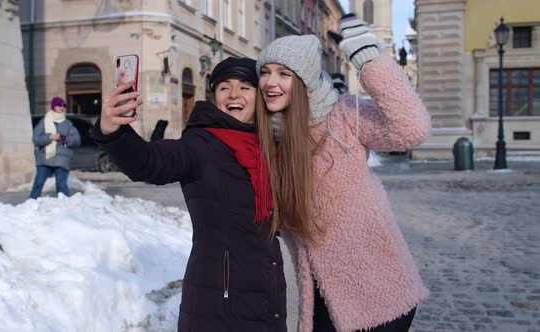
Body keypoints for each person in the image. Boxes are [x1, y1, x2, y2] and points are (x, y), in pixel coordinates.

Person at [255, 14, 431, 332]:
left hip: (382, 292)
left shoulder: (344, 115)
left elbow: (412, 128)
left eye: (283, 73)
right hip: (324, 298)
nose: (270, 81)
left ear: (305, 79)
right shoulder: (270, 137)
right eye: (265, 72)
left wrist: (369, 59)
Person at [94, 57, 287, 331]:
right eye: (224, 88)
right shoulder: (200, 144)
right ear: (215, 97)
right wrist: (114, 132)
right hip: (218, 302)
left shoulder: (268, 147)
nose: (234, 94)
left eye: (245, 87)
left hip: (268, 296)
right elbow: (150, 162)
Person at [30, 97, 81, 199]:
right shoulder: (44, 122)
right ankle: (30, 206)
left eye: (64, 105)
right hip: (45, 158)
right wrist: (50, 137)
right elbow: (36, 138)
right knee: (38, 184)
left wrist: (65, 139)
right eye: (59, 105)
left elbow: (77, 140)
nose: (62, 107)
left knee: (61, 186)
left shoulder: (67, 124)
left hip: (62, 159)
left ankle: (65, 207)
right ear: (54, 106)